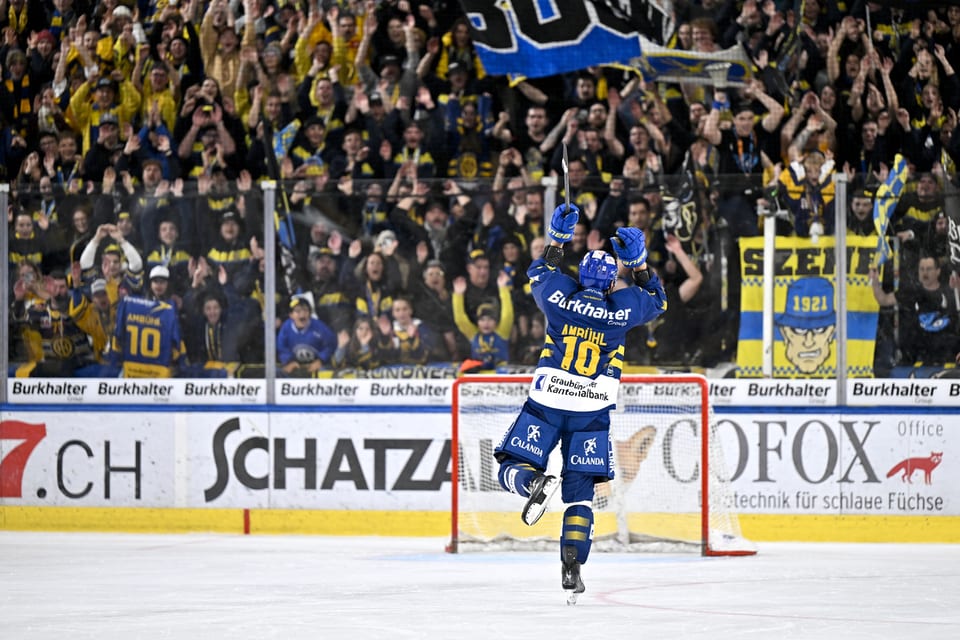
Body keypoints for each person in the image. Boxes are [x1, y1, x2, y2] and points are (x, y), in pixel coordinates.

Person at [492, 203, 666, 602]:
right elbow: (657, 301)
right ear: (610, 285)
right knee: (581, 494)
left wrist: (558, 240)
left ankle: (531, 481)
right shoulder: (620, 310)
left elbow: (538, 272)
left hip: (548, 400)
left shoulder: (558, 297)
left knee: (510, 463)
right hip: (592, 412)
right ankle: (572, 563)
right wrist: (638, 264)